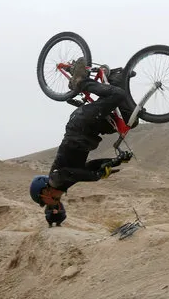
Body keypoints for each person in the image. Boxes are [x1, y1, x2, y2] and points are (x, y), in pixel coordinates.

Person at [29, 57, 134, 208]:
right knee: (128, 120)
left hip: (81, 124)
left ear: (44, 193)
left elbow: (76, 173)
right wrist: (115, 161)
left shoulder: (55, 179)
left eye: (44, 203)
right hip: (91, 129)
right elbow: (88, 167)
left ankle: (80, 81)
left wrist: (97, 176)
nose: (48, 205)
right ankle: (114, 78)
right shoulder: (63, 184)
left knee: (116, 95)